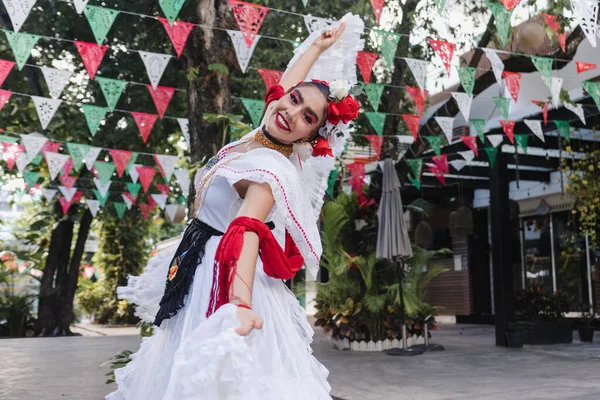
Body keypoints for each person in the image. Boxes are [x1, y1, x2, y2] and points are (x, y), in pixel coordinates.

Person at [106, 13, 364, 400]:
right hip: (201, 255)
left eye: (306, 117)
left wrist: (239, 302)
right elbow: (288, 86)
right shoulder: (262, 135)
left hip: (223, 271)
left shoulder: (271, 166)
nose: (291, 113)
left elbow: (247, 230)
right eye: (293, 101)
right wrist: (318, 47)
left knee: (222, 378)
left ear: (312, 136)